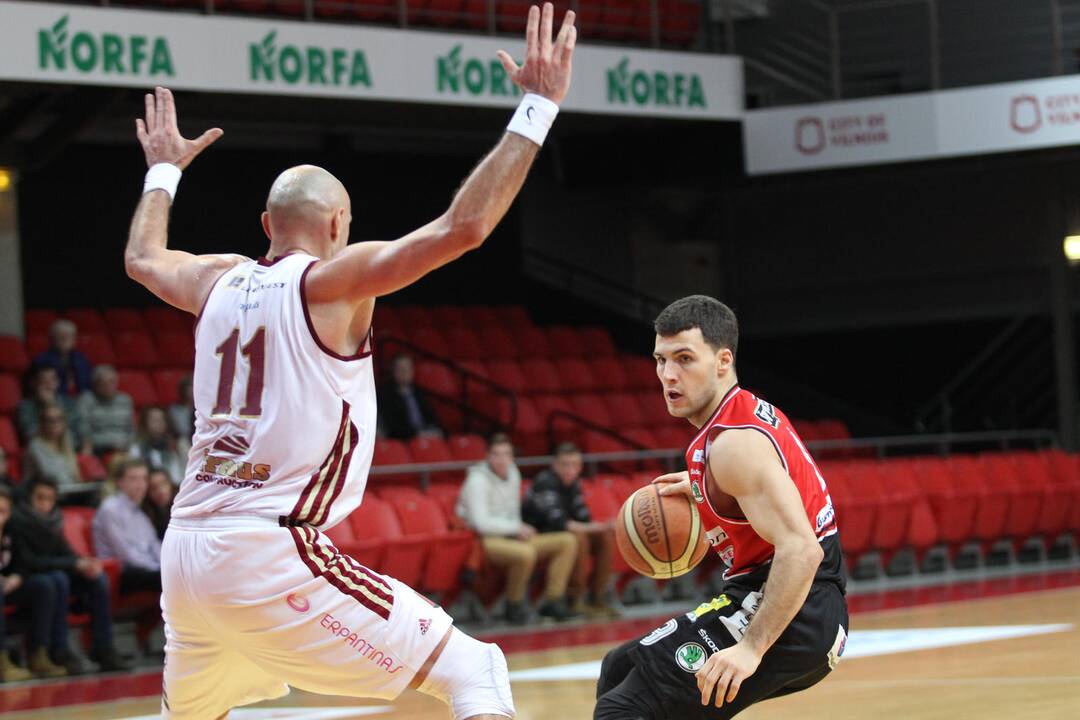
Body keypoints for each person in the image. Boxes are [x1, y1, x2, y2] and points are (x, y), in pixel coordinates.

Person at [122, 6, 576, 716]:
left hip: (184, 554)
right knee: (474, 670)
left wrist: (162, 174)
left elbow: (142, 258)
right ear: (339, 225)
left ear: (267, 226)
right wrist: (538, 106)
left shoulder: (215, 280)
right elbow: (467, 227)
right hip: (267, 552)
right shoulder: (329, 282)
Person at [593, 296, 848, 720]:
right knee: (620, 670)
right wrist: (702, 487)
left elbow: (803, 551)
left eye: (684, 359)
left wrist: (750, 648)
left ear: (722, 360)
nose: (668, 375)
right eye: (660, 360)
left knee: (625, 708)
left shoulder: (733, 445)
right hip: (796, 603)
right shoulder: (734, 420)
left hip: (793, 607)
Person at [10, 476, 129, 672]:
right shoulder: (18, 521)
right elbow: (29, 562)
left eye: (50, 498)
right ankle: (58, 649)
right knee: (58, 580)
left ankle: (103, 647)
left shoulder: (52, 520)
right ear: (28, 497)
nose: (45, 504)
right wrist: (73, 563)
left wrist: (84, 563)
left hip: (53, 574)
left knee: (97, 580)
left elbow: (65, 551)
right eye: (40, 498)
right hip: (30, 577)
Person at [457, 434, 577, 624]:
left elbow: (513, 510)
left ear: (512, 456)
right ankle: (514, 605)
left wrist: (518, 529)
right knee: (525, 553)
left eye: (506, 454)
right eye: (496, 454)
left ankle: (553, 601)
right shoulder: (476, 481)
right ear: (487, 456)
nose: (501, 459)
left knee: (567, 541)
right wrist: (515, 529)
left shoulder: (513, 472)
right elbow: (480, 523)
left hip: (510, 535)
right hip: (483, 540)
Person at [524, 442, 618, 618]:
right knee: (579, 537)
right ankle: (575, 599)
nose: (570, 469)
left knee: (604, 537)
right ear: (554, 465)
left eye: (574, 465)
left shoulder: (574, 484)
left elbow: (583, 518)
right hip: (538, 534)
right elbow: (560, 522)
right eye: (565, 465)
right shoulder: (545, 482)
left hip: (563, 533)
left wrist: (604, 526)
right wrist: (598, 526)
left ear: (580, 466)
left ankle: (597, 597)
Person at [0, 485, 56, 682]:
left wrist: (17, 576)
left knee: (44, 585)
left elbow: (24, 562)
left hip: (8, 585)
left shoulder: (13, 529)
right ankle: (2, 662)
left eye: (3, 512)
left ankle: (39, 654)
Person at [93, 459, 162, 594]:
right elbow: (125, 554)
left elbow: (154, 545)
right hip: (120, 572)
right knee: (170, 579)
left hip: (144, 569)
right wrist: (158, 569)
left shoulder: (140, 512)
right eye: (133, 479)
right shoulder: (110, 509)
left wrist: (168, 566)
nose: (141, 484)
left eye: (144, 479)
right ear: (120, 482)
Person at [378, 353, 444, 440]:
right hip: (404, 439)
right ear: (393, 371)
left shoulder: (419, 393)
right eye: (401, 369)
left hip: (425, 434)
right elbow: (393, 427)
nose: (405, 372)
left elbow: (432, 418)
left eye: (408, 369)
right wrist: (416, 434)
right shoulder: (385, 396)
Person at [76, 365, 134, 456]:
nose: (109, 387)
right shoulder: (86, 400)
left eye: (112, 382)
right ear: (96, 385)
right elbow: (83, 430)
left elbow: (130, 429)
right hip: (99, 449)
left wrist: (129, 444)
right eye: (104, 384)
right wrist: (111, 443)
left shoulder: (125, 399)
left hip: (124, 448)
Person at [15, 365, 82, 445]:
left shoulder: (69, 402)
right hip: (45, 450)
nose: (49, 384)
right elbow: (31, 435)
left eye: (52, 379)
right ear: (34, 383)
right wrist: (48, 405)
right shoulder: (25, 407)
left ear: (58, 383)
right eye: (44, 380)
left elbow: (81, 429)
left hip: (74, 447)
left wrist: (86, 446)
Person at [23, 403, 82, 489]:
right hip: (49, 493)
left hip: (70, 491)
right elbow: (48, 476)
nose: (55, 423)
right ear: (42, 424)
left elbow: (76, 477)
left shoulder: (67, 446)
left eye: (59, 419)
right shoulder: (35, 446)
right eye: (49, 420)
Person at [127, 406, 188, 486]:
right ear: (145, 423)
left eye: (161, 420)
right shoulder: (136, 447)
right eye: (153, 420)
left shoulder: (175, 445)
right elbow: (134, 473)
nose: (158, 423)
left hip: (173, 488)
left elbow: (179, 475)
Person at [32, 319, 94, 397]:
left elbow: (89, 384)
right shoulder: (41, 360)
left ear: (74, 339)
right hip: (55, 400)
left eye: (70, 335)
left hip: (82, 400)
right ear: (51, 338)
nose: (65, 338)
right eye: (60, 335)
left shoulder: (82, 359)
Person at [143, 467, 175, 539]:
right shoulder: (146, 516)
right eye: (154, 488)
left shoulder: (185, 505)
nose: (161, 491)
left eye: (164, 484)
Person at [167, 375, 195, 444]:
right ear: (183, 389)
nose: (193, 389)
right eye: (190, 386)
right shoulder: (175, 410)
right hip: (184, 441)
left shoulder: (204, 409)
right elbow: (182, 431)